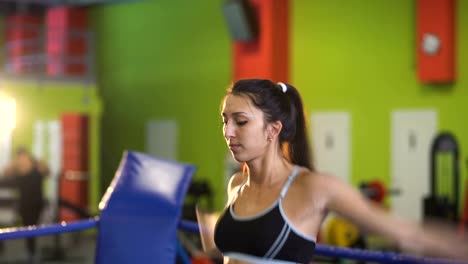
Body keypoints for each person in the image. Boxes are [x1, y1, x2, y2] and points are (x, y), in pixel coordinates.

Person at [212, 79, 468, 263]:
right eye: (225, 120)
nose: (228, 132)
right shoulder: (236, 185)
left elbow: (404, 231)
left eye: (241, 121)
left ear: (273, 130)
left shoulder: (311, 188)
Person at [0, 147, 48, 262]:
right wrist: (9, 169)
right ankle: (30, 252)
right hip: (24, 204)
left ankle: (31, 252)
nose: (22, 160)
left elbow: (47, 172)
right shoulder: (17, 171)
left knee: (32, 227)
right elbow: (5, 181)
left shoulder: (36, 168)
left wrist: (41, 165)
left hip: (36, 203)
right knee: (27, 227)